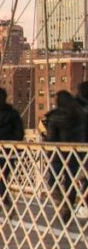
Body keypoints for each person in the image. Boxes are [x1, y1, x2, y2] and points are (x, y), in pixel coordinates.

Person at [44, 90, 86, 221]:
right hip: (76, 153)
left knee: (53, 180)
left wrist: (48, 149)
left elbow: (52, 138)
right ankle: (68, 207)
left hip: (58, 154)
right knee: (71, 182)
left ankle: (60, 201)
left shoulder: (55, 116)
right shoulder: (81, 114)